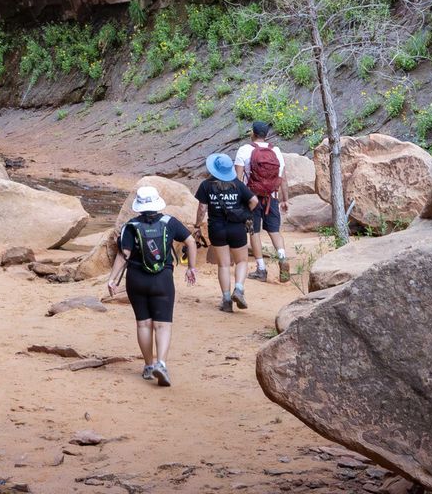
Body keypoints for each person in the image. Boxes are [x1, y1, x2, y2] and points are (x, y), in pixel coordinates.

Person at [103, 184, 196, 386]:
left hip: (136, 279)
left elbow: (123, 254)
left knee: (143, 323)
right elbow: (190, 241)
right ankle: (161, 364)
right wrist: (191, 268)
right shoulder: (169, 222)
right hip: (162, 279)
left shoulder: (131, 226)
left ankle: (147, 365)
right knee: (163, 325)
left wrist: (112, 279)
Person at [194, 152, 254, 312]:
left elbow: (202, 208)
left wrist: (197, 225)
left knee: (224, 265)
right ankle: (239, 289)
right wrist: (246, 214)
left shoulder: (206, 185)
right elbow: (253, 201)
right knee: (241, 261)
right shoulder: (238, 184)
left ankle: (226, 300)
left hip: (217, 228)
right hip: (236, 228)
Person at [236, 121, 291, 282]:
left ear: (252, 133)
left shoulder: (244, 150)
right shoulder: (276, 151)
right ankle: (282, 258)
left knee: (254, 232)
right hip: (271, 197)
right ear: (266, 135)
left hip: (251, 198)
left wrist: (238, 201)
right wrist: (285, 200)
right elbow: (283, 179)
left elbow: (238, 179)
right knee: (274, 231)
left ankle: (261, 269)